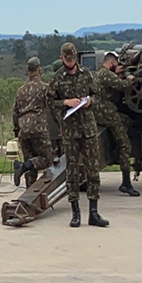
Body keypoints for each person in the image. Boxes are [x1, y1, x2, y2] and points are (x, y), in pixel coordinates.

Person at [48, 42, 108, 228]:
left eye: (72, 59)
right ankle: (75, 213)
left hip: (88, 130)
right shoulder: (58, 78)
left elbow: (98, 95)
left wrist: (90, 101)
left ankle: (94, 212)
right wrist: (65, 102)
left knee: (93, 170)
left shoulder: (86, 74)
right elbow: (49, 102)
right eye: (67, 59)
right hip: (70, 131)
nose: (70, 62)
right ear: (62, 58)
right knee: (73, 172)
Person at [94, 51, 141, 197]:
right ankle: (126, 183)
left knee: (126, 121)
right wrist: (130, 78)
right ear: (111, 63)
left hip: (100, 111)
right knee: (125, 145)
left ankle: (117, 145)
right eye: (116, 64)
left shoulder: (100, 74)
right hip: (106, 112)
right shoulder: (106, 74)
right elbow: (123, 85)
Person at [11, 57, 54, 188]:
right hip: (39, 128)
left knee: (30, 166)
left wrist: (17, 132)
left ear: (28, 71)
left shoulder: (20, 91)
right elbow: (53, 108)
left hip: (24, 130)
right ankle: (23, 166)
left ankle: (29, 193)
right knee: (47, 159)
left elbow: (15, 112)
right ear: (39, 70)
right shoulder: (45, 88)